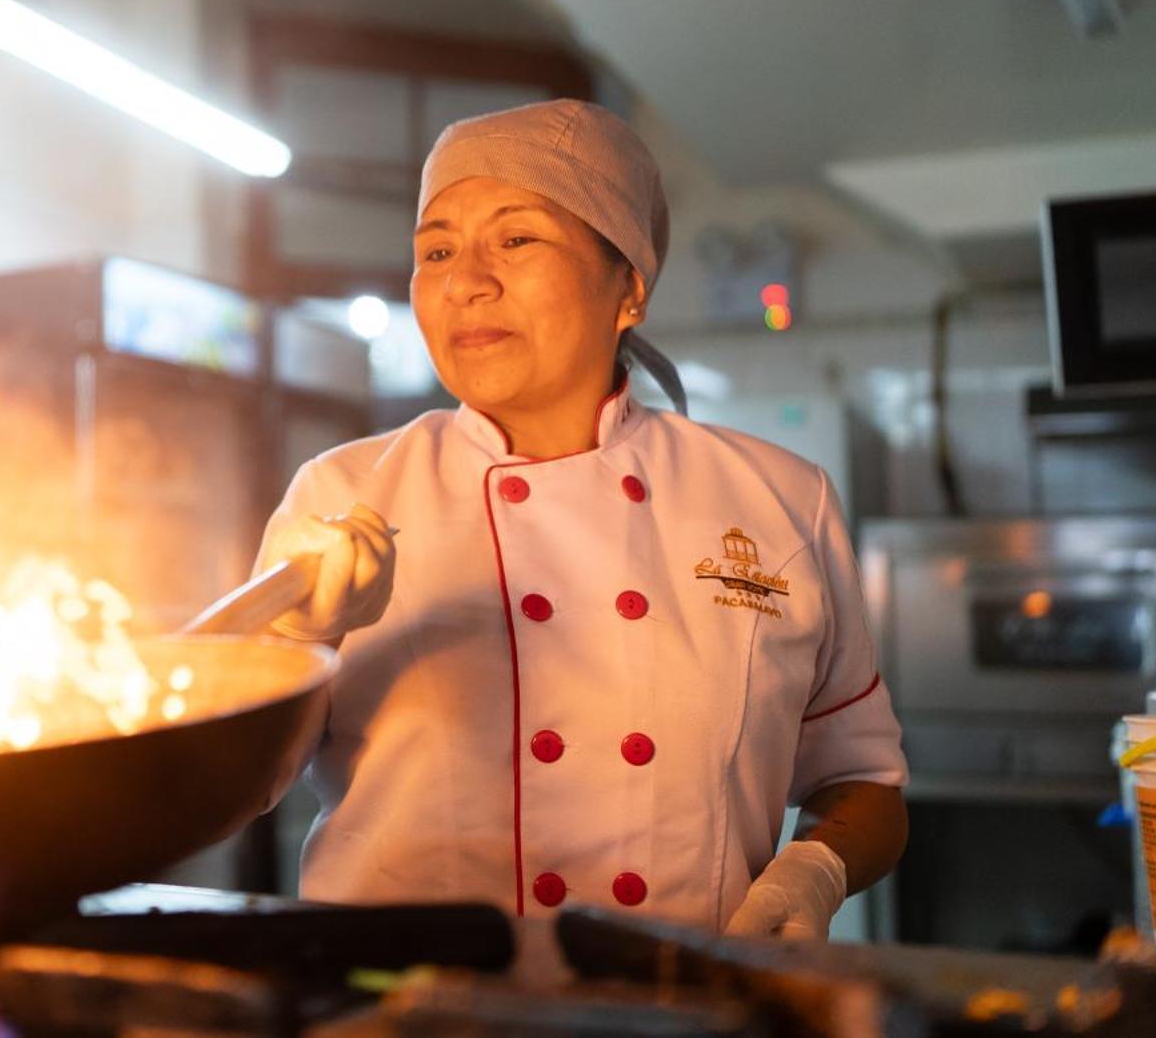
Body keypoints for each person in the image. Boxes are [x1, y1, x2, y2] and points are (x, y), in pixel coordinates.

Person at [257, 99, 907, 938]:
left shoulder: (781, 499)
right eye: (437, 250)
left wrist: (813, 873)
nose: (466, 280)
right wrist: (289, 648)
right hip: (410, 1009)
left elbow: (865, 777)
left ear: (628, 287)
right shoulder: (343, 496)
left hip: (680, 1010)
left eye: (516, 238)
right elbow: (230, 791)